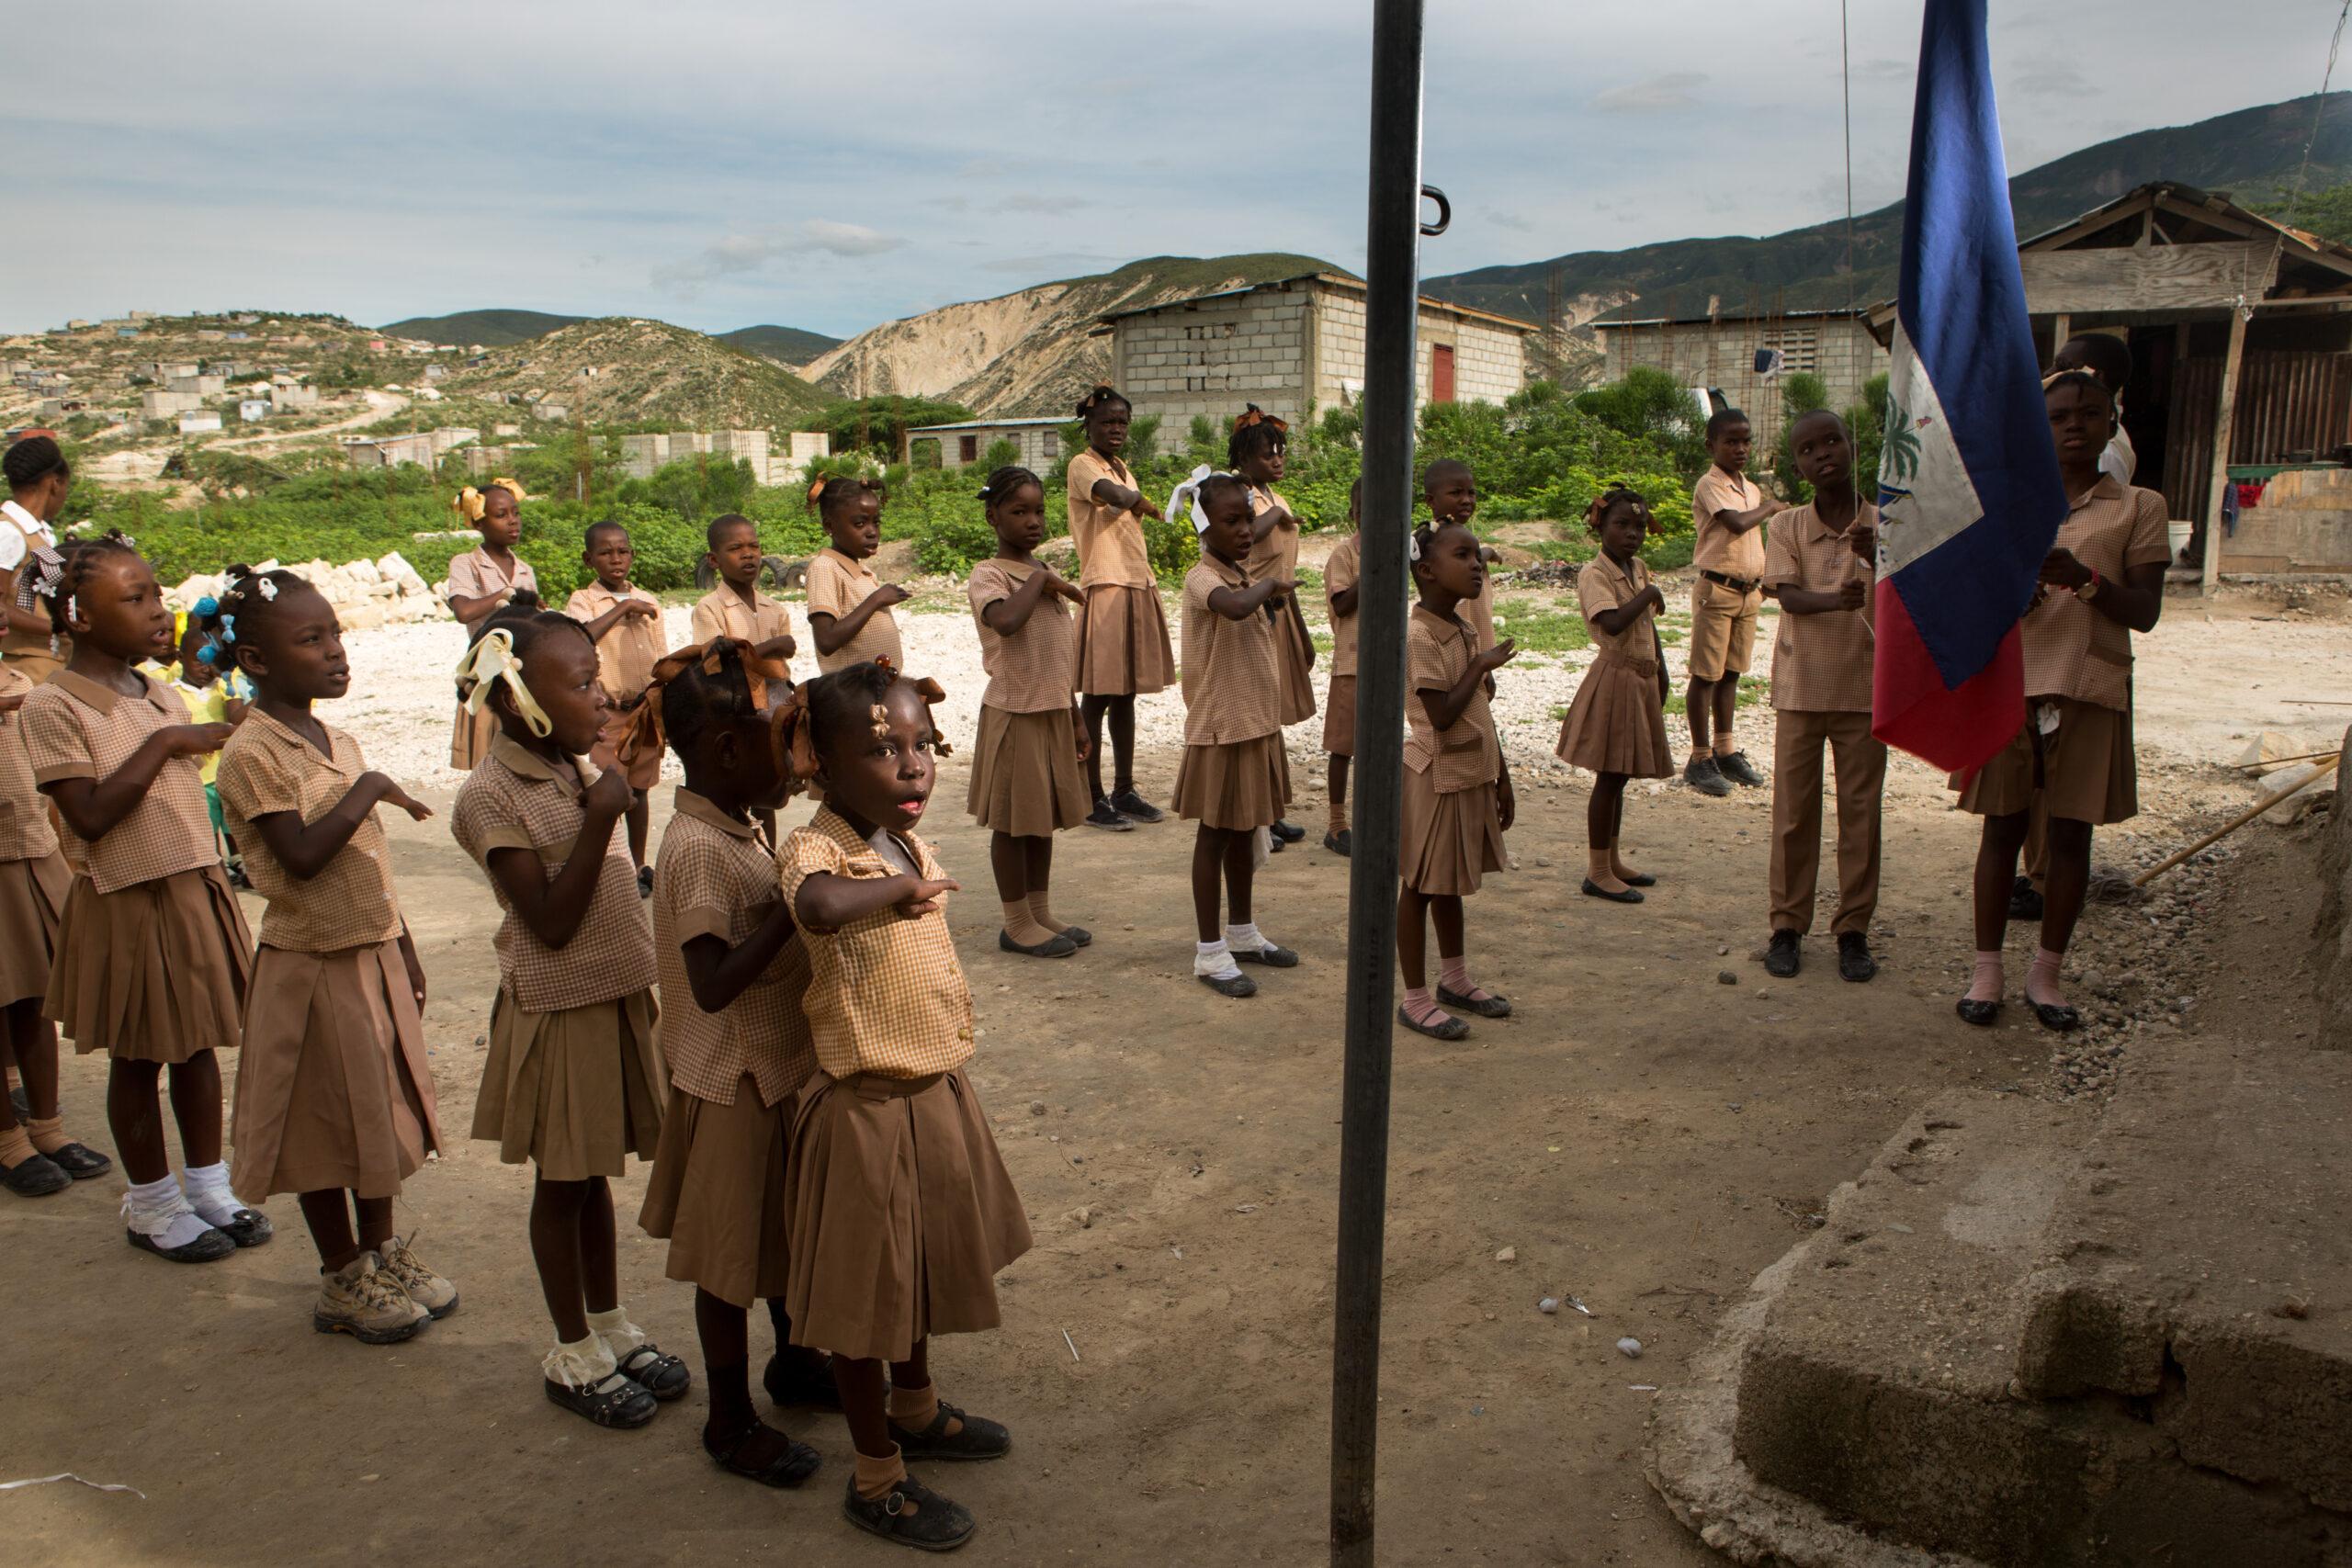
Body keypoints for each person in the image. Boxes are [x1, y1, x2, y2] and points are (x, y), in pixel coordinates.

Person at [775, 661, 1030, 1551]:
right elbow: (816, 906)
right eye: (884, 751)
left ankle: (915, 1408)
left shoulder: (899, 839)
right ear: (820, 766)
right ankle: (876, 1472)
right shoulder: (819, 850)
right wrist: (889, 891)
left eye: (921, 745)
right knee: (863, 1302)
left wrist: (898, 874)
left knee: (916, 1273)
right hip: (864, 1111)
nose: (914, 766)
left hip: (931, 1093)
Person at [449, 602, 684, 1427]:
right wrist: (601, 816)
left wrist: (599, 795)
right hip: (558, 1009)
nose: (603, 699)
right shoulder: (489, 796)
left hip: (616, 994)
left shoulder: (573, 765)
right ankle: (571, 1346)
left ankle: (611, 1321)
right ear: (517, 699)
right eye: (583, 685)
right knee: (563, 1183)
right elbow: (549, 921)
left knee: (595, 1180)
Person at [204, 569, 452, 1341]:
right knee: (320, 1124)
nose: (337, 653)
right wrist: (370, 786)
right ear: (256, 658)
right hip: (310, 965)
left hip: (369, 953)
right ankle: (342, 1272)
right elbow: (303, 856)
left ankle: (380, 1250)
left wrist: (403, 948)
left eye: (336, 634)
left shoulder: (334, 736)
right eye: (312, 641)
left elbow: (371, 859)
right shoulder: (252, 752)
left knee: (375, 1112)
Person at [22, 533, 263, 1261]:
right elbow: (89, 814)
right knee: (139, 1056)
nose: (157, 610)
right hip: (127, 898)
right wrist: (169, 744)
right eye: (135, 598)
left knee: (197, 1048)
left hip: (193, 885)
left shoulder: (158, 691)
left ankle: (207, 1183)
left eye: (157, 593)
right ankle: (152, 1202)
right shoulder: (54, 703)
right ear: (80, 616)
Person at [630, 637, 831, 1489]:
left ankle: (792, 1362)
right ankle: (728, 1415)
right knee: (726, 1261)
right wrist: (793, 912)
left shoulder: (737, 823)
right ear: (724, 751)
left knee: (780, 1233)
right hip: (731, 1082)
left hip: (770, 1070)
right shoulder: (699, 848)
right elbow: (711, 983)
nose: (798, 758)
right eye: (785, 737)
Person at [1954, 370, 2169, 1031]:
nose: (2074, 425)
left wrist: (2087, 579)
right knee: (2002, 828)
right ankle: (1986, 968)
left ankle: (2046, 973)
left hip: (2089, 682)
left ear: (2112, 421)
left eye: (2089, 413)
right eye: (2058, 416)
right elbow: (1979, 600)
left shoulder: (2138, 506)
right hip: (2013, 683)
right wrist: (2013, 597)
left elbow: (2147, 611)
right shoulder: (2012, 505)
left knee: (2072, 834)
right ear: (2038, 426)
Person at [1761, 411, 1885, 982]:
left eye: (1832, 440)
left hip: (1865, 688)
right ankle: (1787, 925)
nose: (1823, 454)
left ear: (1852, 447)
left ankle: (1853, 929)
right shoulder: (1786, 526)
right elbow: (1787, 597)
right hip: (1802, 686)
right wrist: (1839, 599)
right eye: (1809, 449)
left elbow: (1911, 600)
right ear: (1798, 466)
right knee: (1794, 813)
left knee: (1859, 813)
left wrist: (1879, 555)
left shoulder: (1885, 523)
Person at [1170, 468, 1300, 999]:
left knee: (1247, 830)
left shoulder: (1243, 576)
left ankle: (1242, 932)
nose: (1247, 530)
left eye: (1249, 518)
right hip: (1221, 726)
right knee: (1215, 836)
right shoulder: (1205, 579)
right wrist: (1271, 584)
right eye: (1232, 521)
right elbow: (1237, 609)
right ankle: (1208, 951)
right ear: (1204, 528)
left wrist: (1267, 590)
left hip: (1254, 722)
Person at [1395, 521, 1517, 1042]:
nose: (1477, 565)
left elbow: (1481, 711)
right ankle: (1416, 999)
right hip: (1435, 776)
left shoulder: (1462, 627)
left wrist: (1503, 775)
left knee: (1450, 885)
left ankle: (1455, 978)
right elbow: (1441, 714)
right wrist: (1482, 664)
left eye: (1479, 557)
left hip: (1470, 772)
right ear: (1426, 571)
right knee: (1421, 886)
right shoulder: (1419, 634)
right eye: (1463, 555)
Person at [965, 466, 1091, 958]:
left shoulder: (1041, 575)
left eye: (1038, 510)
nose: (1032, 521)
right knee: (1013, 824)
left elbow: (1058, 661)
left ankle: (1039, 911)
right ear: (994, 517)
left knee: (1041, 821)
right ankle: (1015, 922)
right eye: (1019, 512)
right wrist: (1041, 581)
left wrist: (1075, 715)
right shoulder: (990, 574)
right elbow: (1007, 622)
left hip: (1052, 711)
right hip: (1014, 713)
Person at [0, 653, 107, 1197]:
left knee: (37, 999)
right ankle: (7, 1140)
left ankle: (47, 1127)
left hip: (31, 851)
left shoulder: (23, 688)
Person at [1555, 487, 1673, 903]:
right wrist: (1649, 594)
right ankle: (1597, 870)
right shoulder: (1595, 574)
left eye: (1639, 526)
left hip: (1640, 677)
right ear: (1599, 525)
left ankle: (1613, 858)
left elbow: (1648, 627)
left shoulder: (1637, 567)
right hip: (1614, 679)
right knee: (1608, 776)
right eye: (1621, 524)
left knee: (1620, 776)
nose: (1632, 533)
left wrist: (1662, 672)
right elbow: (1613, 623)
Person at [1067, 385, 1173, 830]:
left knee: (1125, 693)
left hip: (1134, 580)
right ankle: (1090, 795)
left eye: (1122, 423)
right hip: (1106, 583)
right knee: (1097, 694)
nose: (1116, 429)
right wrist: (1139, 501)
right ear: (1088, 425)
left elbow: (1129, 500)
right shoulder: (1083, 465)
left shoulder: (1120, 465)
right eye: (1108, 422)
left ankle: (1123, 789)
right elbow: (1116, 497)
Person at [564, 521, 666, 890]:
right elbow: (581, 637)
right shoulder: (584, 601)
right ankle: (611, 867)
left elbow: (661, 656)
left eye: (622, 551)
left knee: (639, 791)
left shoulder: (649, 600)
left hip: (643, 711)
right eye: (605, 553)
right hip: (607, 713)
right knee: (608, 791)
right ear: (589, 559)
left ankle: (638, 865)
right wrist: (623, 610)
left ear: (632, 555)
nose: (616, 559)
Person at [1686, 411, 1782, 797]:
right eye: (1731, 441)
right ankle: (1699, 757)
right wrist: (1773, 508)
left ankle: (1725, 750)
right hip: (1717, 591)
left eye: (1746, 441)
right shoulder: (1710, 485)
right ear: (1712, 446)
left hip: (1748, 592)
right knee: (1705, 674)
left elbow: (1753, 543)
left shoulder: (1751, 488)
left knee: (1732, 673)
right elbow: (1737, 525)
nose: (1741, 448)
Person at [1232, 407, 1315, 850]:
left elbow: (1286, 569)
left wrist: (1301, 630)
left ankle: (1273, 808)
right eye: (1268, 455)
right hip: (1251, 614)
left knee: (1274, 717)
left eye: (1281, 453)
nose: (1278, 461)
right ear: (1245, 458)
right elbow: (1246, 533)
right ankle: (1257, 818)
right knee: (1257, 715)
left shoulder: (1272, 496)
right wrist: (1277, 516)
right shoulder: (1239, 494)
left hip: (1279, 612)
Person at [692, 512, 798, 844]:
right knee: (735, 795)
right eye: (736, 548)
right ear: (714, 560)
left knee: (767, 795)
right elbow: (713, 664)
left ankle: (768, 860)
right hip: (731, 717)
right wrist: (771, 647)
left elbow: (781, 674)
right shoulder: (710, 609)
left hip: (770, 717)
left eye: (753, 546)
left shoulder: (774, 610)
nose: (749, 554)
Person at [143, 613, 254, 886]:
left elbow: (235, 717)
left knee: (233, 818)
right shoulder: (172, 692)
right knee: (207, 821)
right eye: (199, 660)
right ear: (181, 659)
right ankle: (214, 862)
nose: (206, 668)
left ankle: (239, 858)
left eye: (211, 660)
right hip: (199, 776)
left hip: (226, 770)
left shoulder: (222, 689)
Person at [444, 480, 536, 771]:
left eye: (516, 513)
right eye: (501, 515)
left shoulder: (524, 570)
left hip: (522, 678)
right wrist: (504, 596)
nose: (513, 521)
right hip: (486, 675)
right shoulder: (466, 564)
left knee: (527, 763)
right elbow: (463, 610)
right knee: (490, 765)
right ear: (479, 523)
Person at [806, 477, 908, 674]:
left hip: (875, 689)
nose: (872, 532)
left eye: (876, 522)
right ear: (829, 526)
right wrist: (877, 599)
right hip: (851, 692)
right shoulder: (824, 567)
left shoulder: (864, 572)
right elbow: (826, 641)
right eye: (860, 523)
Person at [1, 433, 73, 682]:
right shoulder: (9, 531)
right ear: (55, 483)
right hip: (28, 667)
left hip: (54, 661)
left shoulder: (39, 532)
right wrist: (56, 628)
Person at [1320, 479, 1363, 856]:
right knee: (1342, 747)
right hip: (1351, 663)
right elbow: (1343, 604)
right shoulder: (1344, 555)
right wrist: (1375, 571)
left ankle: (1372, 817)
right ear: (1354, 513)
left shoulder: (1403, 553)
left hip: (1388, 666)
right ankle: (1336, 825)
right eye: (1366, 508)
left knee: (1379, 746)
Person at [1423, 459, 1499, 655]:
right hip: (1455, 636)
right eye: (1456, 493)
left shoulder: (1458, 534)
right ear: (1431, 501)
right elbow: (1474, 562)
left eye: (1471, 493)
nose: (1466, 500)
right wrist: (1488, 552)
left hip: (1473, 632)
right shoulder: (1434, 538)